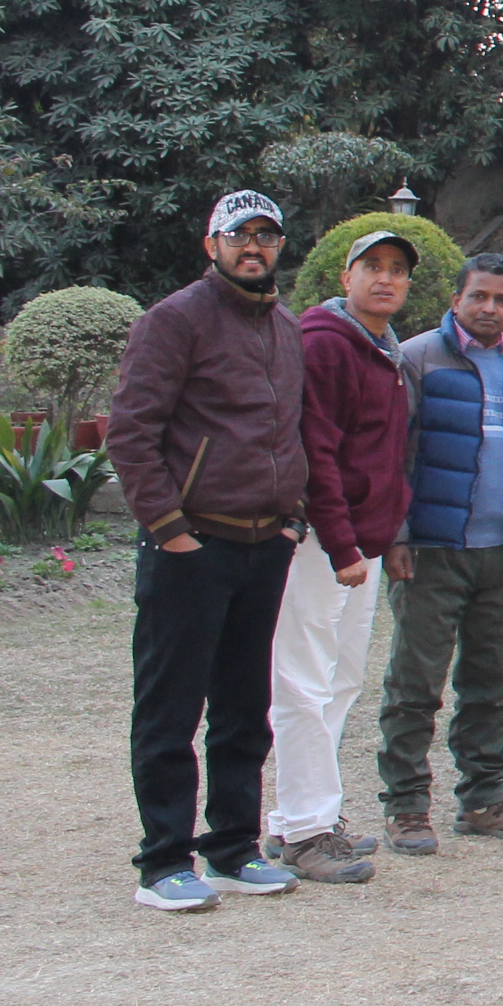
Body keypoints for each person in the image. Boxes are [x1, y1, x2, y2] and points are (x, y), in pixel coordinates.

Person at [114, 191, 311, 909]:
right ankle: (164, 860)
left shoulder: (284, 326)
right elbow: (131, 432)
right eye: (239, 234)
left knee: (242, 708)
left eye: (267, 235)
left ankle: (233, 846)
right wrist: (172, 530)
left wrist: (293, 518)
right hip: (190, 545)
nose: (253, 246)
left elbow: (291, 428)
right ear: (212, 244)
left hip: (264, 545)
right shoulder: (174, 321)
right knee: (170, 709)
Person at [378, 253, 503, 853]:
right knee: (415, 684)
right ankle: (406, 806)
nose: (490, 309)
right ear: (456, 299)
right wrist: (396, 535)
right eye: (478, 296)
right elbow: (394, 453)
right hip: (432, 550)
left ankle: (484, 799)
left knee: (492, 683)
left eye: (502, 300)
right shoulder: (417, 358)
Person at [268, 228, 417, 883]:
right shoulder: (324, 344)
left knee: (341, 680)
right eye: (372, 266)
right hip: (323, 543)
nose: (386, 278)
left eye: (397, 270)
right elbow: (316, 452)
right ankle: (306, 830)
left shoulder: (383, 349)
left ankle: (303, 817)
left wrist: (380, 535)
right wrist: (340, 543)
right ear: (345, 276)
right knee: (302, 681)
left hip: (364, 541)